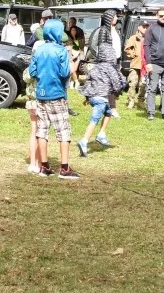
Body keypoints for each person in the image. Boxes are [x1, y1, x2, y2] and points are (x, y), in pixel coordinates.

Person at [28, 19, 79, 178]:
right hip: (57, 94)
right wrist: (73, 61)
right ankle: (64, 168)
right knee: (63, 130)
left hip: (41, 95)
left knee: (42, 130)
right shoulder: (61, 50)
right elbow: (65, 73)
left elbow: (32, 71)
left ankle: (44, 166)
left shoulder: (39, 49)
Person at [78, 10, 126, 157]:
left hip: (95, 94)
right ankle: (84, 140)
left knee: (108, 110)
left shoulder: (96, 69)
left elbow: (88, 82)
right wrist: (120, 88)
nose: (117, 18)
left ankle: (101, 134)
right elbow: (117, 83)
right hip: (102, 95)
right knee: (96, 118)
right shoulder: (104, 31)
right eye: (115, 16)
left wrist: (87, 97)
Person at [123, 22, 147, 110]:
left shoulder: (148, 38)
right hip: (135, 64)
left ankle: (141, 101)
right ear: (139, 27)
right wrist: (134, 55)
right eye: (144, 27)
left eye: (147, 27)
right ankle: (131, 101)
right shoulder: (133, 38)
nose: (145, 29)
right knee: (132, 83)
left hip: (145, 65)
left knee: (143, 84)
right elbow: (127, 49)